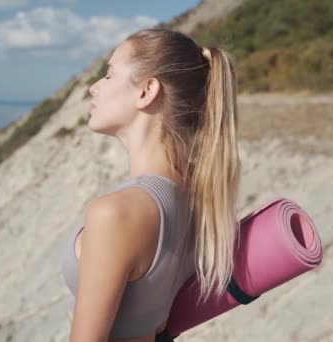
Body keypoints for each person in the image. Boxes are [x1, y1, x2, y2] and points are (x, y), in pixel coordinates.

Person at [60, 28, 242, 342]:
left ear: (146, 91)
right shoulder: (200, 197)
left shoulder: (116, 213)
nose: (94, 88)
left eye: (108, 75)